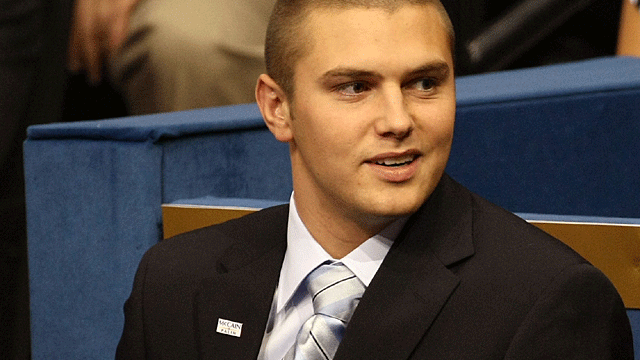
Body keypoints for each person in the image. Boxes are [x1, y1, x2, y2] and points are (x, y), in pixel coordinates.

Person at [116, 0, 634, 359]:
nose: (398, 120)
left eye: (425, 83)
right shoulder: (173, 283)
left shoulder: (548, 303)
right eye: (355, 87)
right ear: (278, 107)